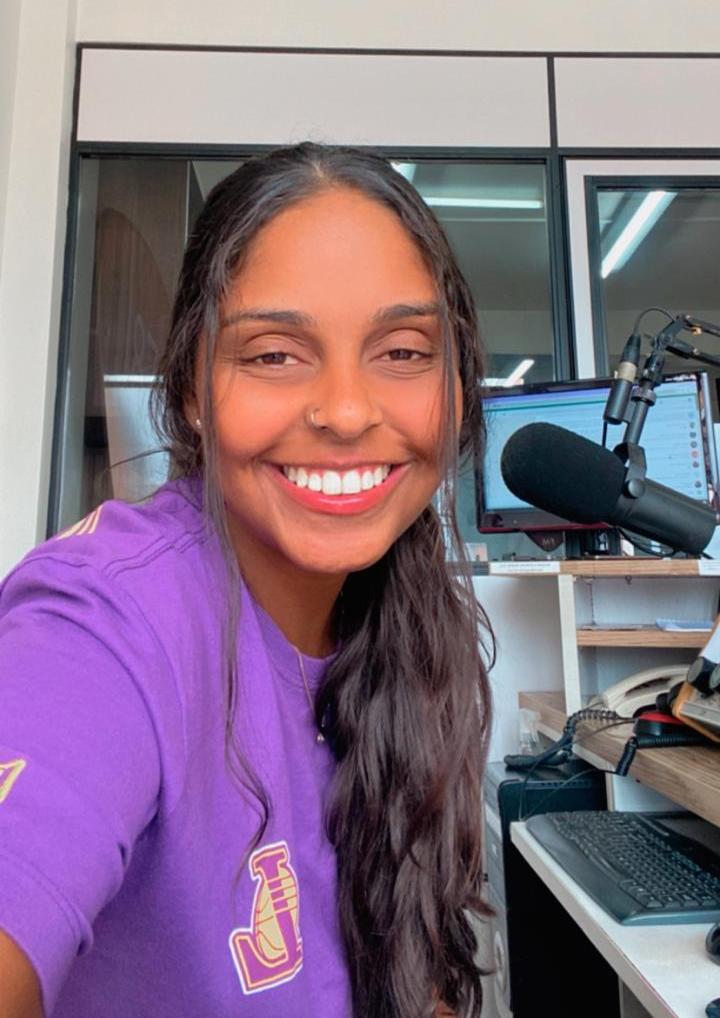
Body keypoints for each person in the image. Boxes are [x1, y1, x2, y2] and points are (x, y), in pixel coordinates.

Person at [0, 143, 493, 1018]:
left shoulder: (413, 624)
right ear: (193, 389)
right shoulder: (107, 618)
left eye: (402, 351)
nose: (347, 411)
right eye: (273, 355)